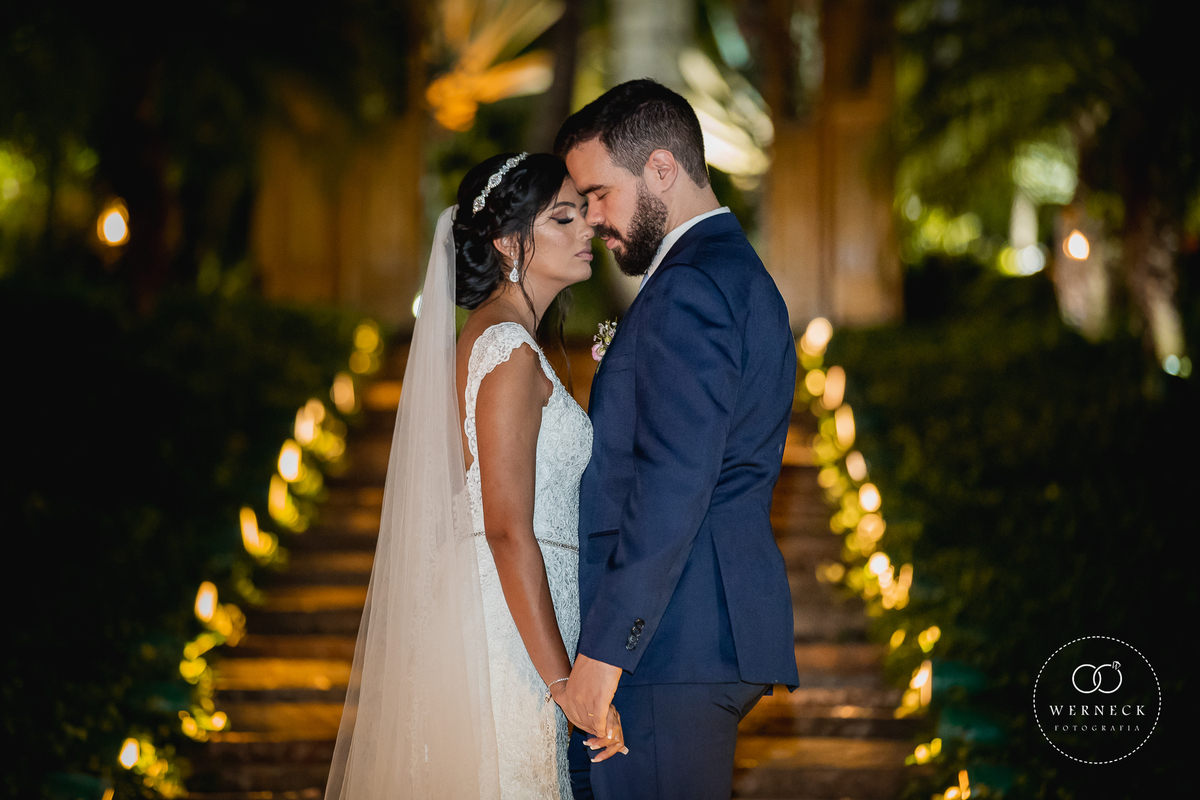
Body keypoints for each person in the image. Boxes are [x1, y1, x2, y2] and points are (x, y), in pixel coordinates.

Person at [324, 152, 623, 800]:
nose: (588, 228)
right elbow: (506, 528)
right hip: (508, 635)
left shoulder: (505, 338)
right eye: (564, 217)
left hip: (515, 617)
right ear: (508, 242)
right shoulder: (507, 350)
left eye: (585, 213)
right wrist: (562, 683)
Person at [553, 80, 801, 800]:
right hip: (692, 632)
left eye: (599, 193)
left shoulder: (689, 287)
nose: (592, 218)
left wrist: (606, 653)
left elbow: (673, 481)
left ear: (661, 168)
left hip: (669, 642)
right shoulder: (731, 271)